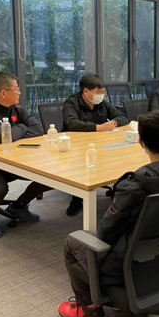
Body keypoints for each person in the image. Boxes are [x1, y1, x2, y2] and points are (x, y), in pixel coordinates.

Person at [57, 110, 159, 317]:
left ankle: (89, 310)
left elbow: (105, 234)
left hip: (130, 269)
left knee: (73, 242)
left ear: (141, 143)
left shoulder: (134, 187)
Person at [0, 72, 52, 238]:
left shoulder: (16, 108)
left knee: (52, 176)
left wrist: (11, 133)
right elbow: (2, 137)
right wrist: (18, 130)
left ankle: (18, 206)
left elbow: (38, 129)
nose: (20, 92)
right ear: (4, 93)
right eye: (16, 89)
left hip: (11, 158)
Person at [63, 74, 130, 216]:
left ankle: (119, 188)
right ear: (86, 91)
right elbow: (71, 123)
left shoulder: (102, 103)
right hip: (77, 146)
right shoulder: (72, 103)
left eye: (102, 92)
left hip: (100, 144)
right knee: (83, 165)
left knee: (120, 157)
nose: (101, 95)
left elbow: (123, 117)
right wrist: (98, 127)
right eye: (98, 92)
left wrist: (114, 122)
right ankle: (77, 200)